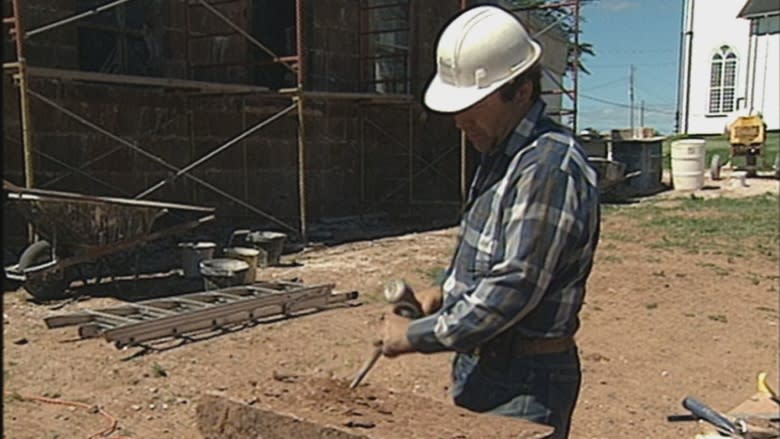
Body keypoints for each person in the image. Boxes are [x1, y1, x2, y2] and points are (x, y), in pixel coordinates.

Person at [379, 5, 600, 438]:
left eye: (472, 104)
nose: (459, 120)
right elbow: (487, 251)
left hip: (524, 378)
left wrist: (415, 335)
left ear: (521, 91)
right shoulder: (501, 155)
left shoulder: (548, 166)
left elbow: (515, 285)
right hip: (486, 366)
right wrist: (443, 291)